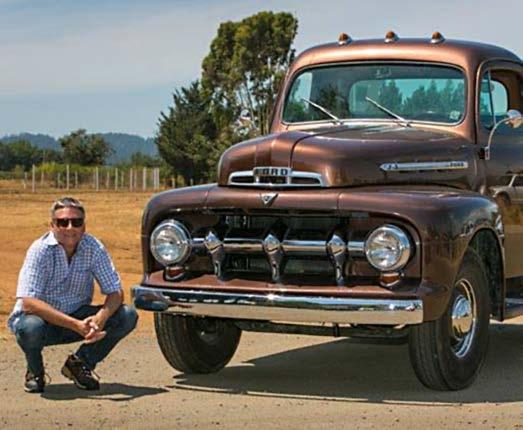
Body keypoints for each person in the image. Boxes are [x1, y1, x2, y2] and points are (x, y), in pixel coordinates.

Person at [7, 197, 138, 393]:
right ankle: (35, 371)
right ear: (52, 225)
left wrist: (100, 319)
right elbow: (29, 303)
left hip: (78, 317)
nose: (70, 228)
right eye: (63, 222)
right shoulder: (39, 250)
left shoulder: (93, 247)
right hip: (42, 321)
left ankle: (79, 364)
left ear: (84, 226)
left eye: (76, 222)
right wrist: (75, 325)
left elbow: (115, 292)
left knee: (127, 315)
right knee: (30, 328)